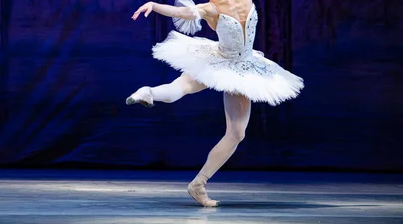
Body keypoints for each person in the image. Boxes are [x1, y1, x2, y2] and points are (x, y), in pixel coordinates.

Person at [126, 0, 304, 207]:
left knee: (237, 133)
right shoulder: (212, 8)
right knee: (182, 88)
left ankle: (197, 184)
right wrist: (154, 6)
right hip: (219, 61)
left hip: (244, 67)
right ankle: (148, 93)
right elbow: (182, 12)